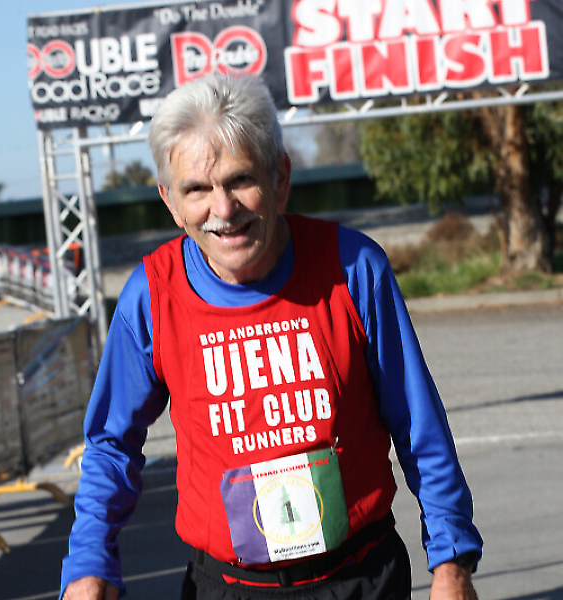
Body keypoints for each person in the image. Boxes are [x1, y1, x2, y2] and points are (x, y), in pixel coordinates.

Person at [60, 73, 482, 600]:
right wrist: (89, 564)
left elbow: (418, 423)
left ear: (280, 177)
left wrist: (451, 561)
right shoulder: (152, 295)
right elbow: (111, 444)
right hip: (227, 587)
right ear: (170, 201)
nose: (223, 210)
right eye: (197, 189)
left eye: (240, 180)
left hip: (360, 579)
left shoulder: (353, 268)